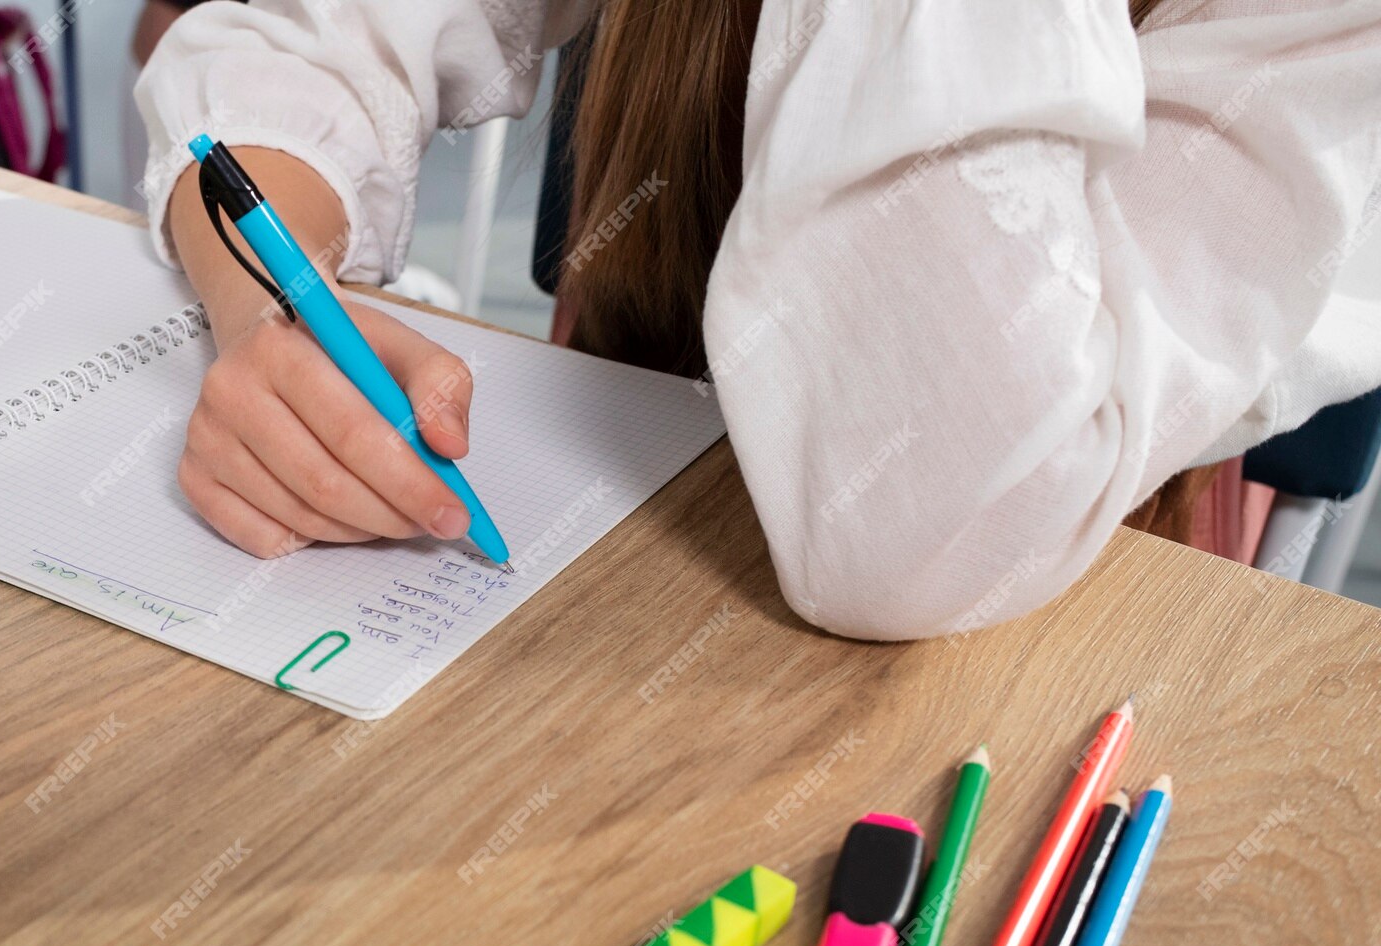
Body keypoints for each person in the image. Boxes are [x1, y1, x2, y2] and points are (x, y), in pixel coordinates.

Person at [132, 0, 1381, 640]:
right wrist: (269, 315)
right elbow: (302, 55)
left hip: (1045, 594)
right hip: (616, 497)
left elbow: (913, 543)